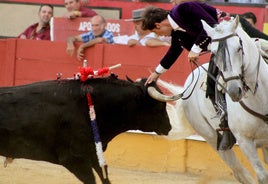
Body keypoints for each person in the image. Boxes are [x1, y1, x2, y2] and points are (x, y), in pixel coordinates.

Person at [142, 3, 237, 151]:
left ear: (158, 25)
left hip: (235, 34)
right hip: (221, 50)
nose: (159, 36)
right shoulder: (177, 32)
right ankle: (225, 127)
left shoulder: (184, 9)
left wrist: (195, 49)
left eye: (156, 33)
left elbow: (212, 26)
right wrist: (156, 73)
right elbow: (174, 51)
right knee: (212, 83)